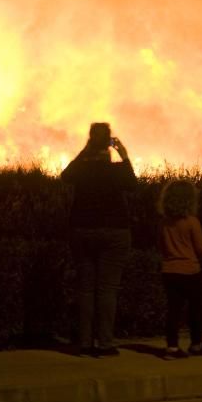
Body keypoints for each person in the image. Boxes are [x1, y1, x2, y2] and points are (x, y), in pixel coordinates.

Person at [61, 122, 138, 357]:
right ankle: (105, 344)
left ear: (89, 142)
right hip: (114, 232)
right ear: (109, 144)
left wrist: (85, 150)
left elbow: (65, 175)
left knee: (85, 289)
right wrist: (123, 154)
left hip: (83, 231)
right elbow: (133, 185)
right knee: (107, 290)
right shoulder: (116, 171)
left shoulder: (82, 170)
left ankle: (85, 344)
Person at [156, 179, 202, 359]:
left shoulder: (163, 223)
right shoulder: (192, 222)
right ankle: (196, 344)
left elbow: (160, 246)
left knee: (173, 310)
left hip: (169, 271)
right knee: (195, 309)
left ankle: (171, 347)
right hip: (191, 271)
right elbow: (200, 248)